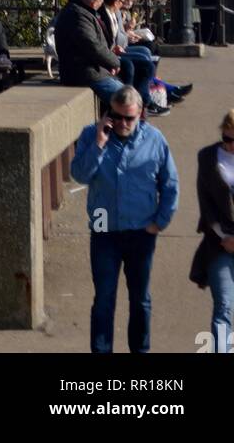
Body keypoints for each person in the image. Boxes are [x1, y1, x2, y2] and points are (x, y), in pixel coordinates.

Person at [71, 85, 179, 354]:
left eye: (128, 118)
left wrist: (159, 222)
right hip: (103, 229)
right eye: (116, 116)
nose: (121, 123)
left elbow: (170, 184)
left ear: (140, 114)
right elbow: (80, 176)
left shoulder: (155, 140)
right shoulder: (90, 135)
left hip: (141, 231)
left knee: (140, 299)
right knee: (104, 299)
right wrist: (99, 143)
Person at [189, 109, 234, 352]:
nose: (230, 146)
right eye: (227, 139)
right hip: (219, 244)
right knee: (224, 305)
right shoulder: (207, 158)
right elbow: (206, 205)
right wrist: (224, 236)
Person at [99, 0, 167, 116]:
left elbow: (117, 37)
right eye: (123, 0)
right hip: (110, 54)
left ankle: (143, 102)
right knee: (134, 63)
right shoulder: (104, 14)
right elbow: (113, 40)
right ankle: (132, 103)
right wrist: (120, 42)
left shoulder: (114, 12)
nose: (124, 4)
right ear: (117, 0)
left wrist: (125, 35)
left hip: (115, 50)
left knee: (147, 61)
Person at [53, 0, 123, 104]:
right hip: (83, 73)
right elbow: (92, 46)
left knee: (128, 91)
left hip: (92, 70)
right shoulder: (78, 15)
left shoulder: (80, 11)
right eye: (101, 1)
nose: (101, 4)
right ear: (94, 1)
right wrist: (114, 62)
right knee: (126, 100)